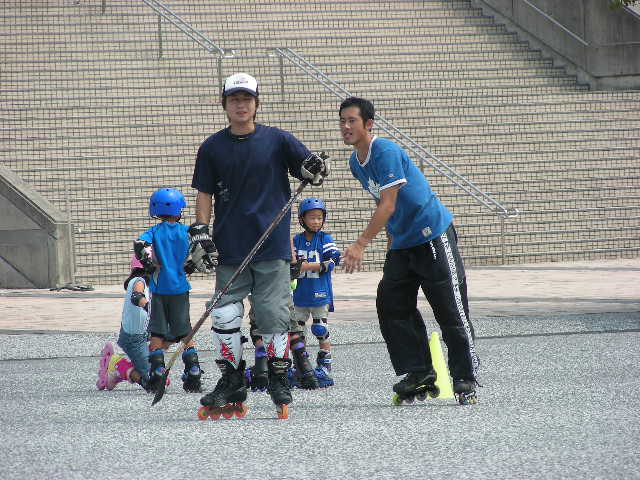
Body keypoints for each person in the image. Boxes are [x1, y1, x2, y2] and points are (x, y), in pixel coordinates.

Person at [190, 72, 329, 418]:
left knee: (273, 318)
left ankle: (280, 379)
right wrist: (200, 231)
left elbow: (310, 169)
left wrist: (315, 168)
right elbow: (204, 193)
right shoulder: (211, 147)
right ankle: (232, 379)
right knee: (223, 314)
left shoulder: (277, 139)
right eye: (234, 99)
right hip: (231, 246)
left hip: (272, 246)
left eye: (247, 99)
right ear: (224, 104)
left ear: (256, 104)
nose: (241, 105)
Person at [339, 97, 480, 405]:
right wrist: (391, 242)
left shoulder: (385, 151)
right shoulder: (355, 163)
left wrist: (361, 243)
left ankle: (465, 376)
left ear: (369, 124)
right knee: (391, 304)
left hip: (432, 235)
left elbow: (389, 202)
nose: (346, 126)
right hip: (403, 243)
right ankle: (419, 372)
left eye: (352, 120)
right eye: (342, 121)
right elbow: (383, 203)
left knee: (449, 310)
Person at [133, 187, 204, 394]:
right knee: (185, 331)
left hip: (159, 288)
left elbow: (140, 244)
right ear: (179, 210)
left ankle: (157, 371)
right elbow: (197, 254)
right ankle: (193, 368)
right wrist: (189, 266)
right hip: (180, 288)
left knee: (157, 332)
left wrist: (148, 263)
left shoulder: (154, 232)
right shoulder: (185, 231)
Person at [289, 197, 341, 388]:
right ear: (302, 219)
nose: (316, 221)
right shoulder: (296, 239)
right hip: (300, 294)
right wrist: (315, 265)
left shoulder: (325, 239)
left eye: (319, 217)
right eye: (312, 218)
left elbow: (333, 262)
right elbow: (292, 263)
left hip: (320, 293)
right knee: (298, 333)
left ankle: (325, 367)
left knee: (320, 329)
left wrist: (304, 266)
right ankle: (300, 366)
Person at [96, 253, 154, 392]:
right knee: (154, 382)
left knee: (161, 375)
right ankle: (118, 364)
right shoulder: (139, 281)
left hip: (144, 336)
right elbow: (137, 295)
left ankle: (123, 370)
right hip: (133, 339)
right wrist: (147, 305)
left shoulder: (152, 285)